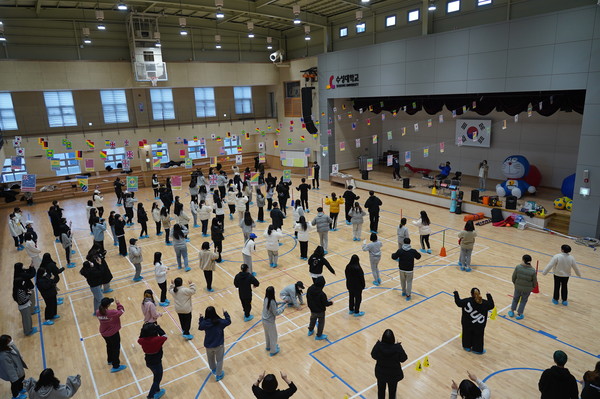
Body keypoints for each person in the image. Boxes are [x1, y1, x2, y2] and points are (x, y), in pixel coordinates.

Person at [453, 288, 494, 354]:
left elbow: (458, 302)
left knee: (466, 334)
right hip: (479, 324)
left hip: (467, 323)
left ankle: (467, 346)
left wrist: (456, 293)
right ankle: (477, 349)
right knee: (478, 336)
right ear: (479, 293)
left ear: (471, 294)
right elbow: (492, 305)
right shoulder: (484, 303)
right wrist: (488, 295)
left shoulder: (467, 301)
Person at [371, 329, 408, 399]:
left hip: (381, 374)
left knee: (381, 392)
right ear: (393, 339)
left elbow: (373, 355)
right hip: (393, 375)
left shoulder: (378, 346)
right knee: (392, 392)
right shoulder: (397, 348)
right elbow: (404, 358)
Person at [198, 306, 231, 382]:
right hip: (219, 345)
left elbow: (200, 327)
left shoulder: (205, 323)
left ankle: (213, 369)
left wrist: (201, 318)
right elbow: (228, 321)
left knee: (210, 358)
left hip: (208, 345)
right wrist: (225, 313)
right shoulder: (219, 322)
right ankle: (218, 375)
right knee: (219, 360)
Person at [137, 323, 167, 399]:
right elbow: (165, 336)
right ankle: (150, 396)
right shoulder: (157, 339)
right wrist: (158, 328)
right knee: (157, 380)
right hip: (157, 362)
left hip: (148, 361)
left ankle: (157, 390)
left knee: (156, 376)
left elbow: (140, 338)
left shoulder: (142, 340)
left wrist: (143, 330)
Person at [97, 297, 127, 373]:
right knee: (116, 348)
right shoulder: (111, 312)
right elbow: (121, 311)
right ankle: (116, 366)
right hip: (113, 333)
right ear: (108, 305)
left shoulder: (98, 312)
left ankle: (110, 360)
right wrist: (118, 304)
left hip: (104, 333)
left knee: (109, 345)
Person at [508, 254, 537, 320]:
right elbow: (534, 281)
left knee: (515, 299)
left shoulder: (518, 267)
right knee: (523, 301)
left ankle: (512, 311)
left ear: (523, 260)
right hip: (527, 289)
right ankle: (520, 314)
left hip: (518, 287)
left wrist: (516, 284)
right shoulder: (532, 270)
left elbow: (513, 277)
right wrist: (532, 287)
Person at [0, 335, 28, 399]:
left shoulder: (10, 346)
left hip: (18, 367)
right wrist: (14, 379)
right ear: (5, 343)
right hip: (13, 372)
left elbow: (16, 352)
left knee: (21, 378)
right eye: (9, 341)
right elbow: (9, 369)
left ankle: (20, 389)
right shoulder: (3, 356)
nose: (11, 341)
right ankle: (15, 396)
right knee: (15, 384)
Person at [12, 269, 38, 336]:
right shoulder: (19, 291)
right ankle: (27, 331)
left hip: (25, 305)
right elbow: (23, 300)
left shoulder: (19, 289)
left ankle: (30, 329)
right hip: (24, 307)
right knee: (26, 320)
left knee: (28, 318)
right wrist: (29, 294)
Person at [306, 276, 333, 340]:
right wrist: (330, 303)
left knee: (312, 319)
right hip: (320, 311)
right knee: (321, 323)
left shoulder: (309, 289)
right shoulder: (322, 294)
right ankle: (319, 335)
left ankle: (310, 330)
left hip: (312, 309)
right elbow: (325, 303)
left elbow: (308, 298)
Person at [262, 286, 284, 357]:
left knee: (267, 335)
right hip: (269, 322)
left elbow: (274, 304)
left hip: (264, 320)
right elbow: (276, 313)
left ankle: (268, 346)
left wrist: (281, 302)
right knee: (273, 336)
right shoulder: (271, 302)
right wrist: (283, 308)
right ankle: (273, 350)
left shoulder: (266, 298)